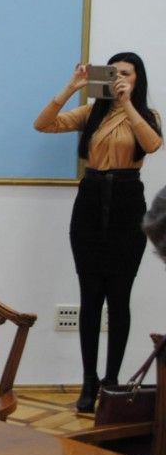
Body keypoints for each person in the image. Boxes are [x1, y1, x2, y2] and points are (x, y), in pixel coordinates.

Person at [34, 53, 162, 412]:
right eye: (113, 72)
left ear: (137, 80)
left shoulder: (147, 115)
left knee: (119, 298)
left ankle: (111, 383)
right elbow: (42, 124)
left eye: (126, 73)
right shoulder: (92, 113)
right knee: (90, 297)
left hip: (127, 204)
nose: (119, 78)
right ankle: (88, 382)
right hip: (90, 202)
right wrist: (71, 87)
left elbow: (152, 144)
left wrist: (127, 104)